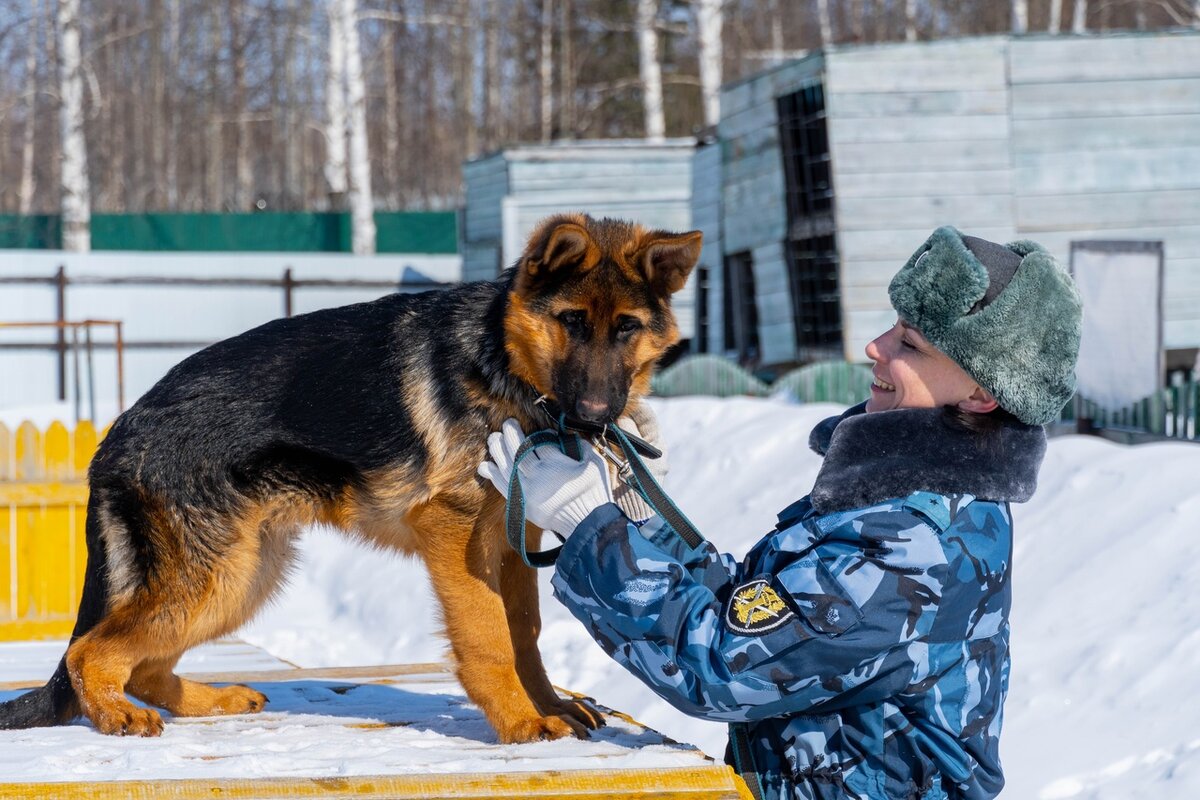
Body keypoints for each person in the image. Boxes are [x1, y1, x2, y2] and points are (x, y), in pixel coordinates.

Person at [478, 226, 1082, 800]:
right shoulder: (898, 502)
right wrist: (638, 516)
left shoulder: (914, 546)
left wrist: (591, 529)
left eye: (910, 344)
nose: (875, 347)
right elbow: (754, 609)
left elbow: (720, 665)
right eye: (893, 328)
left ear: (981, 394)